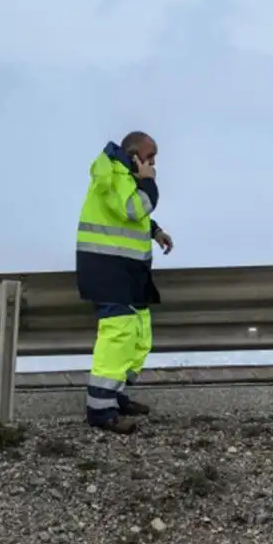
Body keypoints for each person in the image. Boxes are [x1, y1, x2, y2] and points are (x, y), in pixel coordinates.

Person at [75, 132, 174, 434]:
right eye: (149, 156)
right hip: (108, 269)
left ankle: (115, 394)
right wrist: (149, 181)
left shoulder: (123, 175)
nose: (154, 163)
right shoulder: (112, 172)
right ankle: (100, 410)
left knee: (139, 334)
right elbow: (133, 208)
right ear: (133, 155)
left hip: (129, 271)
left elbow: (130, 217)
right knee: (118, 335)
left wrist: (154, 230)